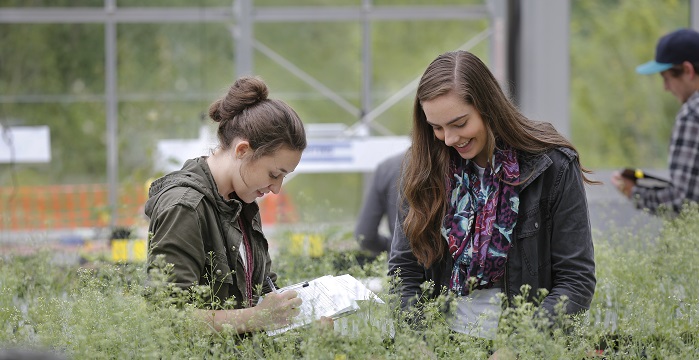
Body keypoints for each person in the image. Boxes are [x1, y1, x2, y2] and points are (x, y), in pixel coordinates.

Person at [388, 50, 597, 341]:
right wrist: (417, 342)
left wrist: (520, 346)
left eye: (459, 124)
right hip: (446, 345)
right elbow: (403, 273)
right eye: (437, 127)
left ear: (488, 107)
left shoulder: (553, 166)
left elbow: (576, 281)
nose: (449, 139)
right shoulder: (423, 167)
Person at [145, 76, 312, 334]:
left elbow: (264, 291)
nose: (276, 189)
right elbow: (166, 316)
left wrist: (304, 324)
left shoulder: (240, 203)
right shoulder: (185, 207)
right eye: (274, 174)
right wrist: (256, 318)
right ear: (243, 150)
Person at [611, 28, 699, 215]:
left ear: (688, 70)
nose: (666, 88)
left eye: (666, 78)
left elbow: (683, 202)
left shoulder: (692, 114)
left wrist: (633, 192)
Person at [354, 151, 405, 257]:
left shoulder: (389, 167)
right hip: (444, 266)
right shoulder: (444, 163)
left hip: (401, 264)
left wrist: (391, 244)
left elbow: (365, 235)